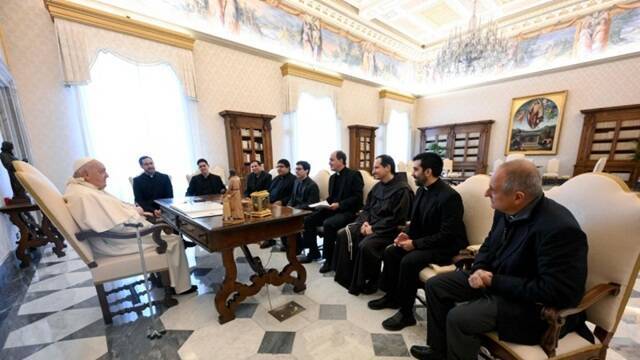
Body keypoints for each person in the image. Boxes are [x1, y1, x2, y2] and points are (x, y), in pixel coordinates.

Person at [409, 159, 589, 360]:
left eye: (493, 190)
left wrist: (493, 281)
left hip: (529, 306)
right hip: (497, 280)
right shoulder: (505, 209)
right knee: (436, 285)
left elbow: (559, 293)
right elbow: (489, 245)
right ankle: (439, 350)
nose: (486, 194)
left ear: (518, 197)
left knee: (459, 318)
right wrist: (479, 268)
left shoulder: (559, 229)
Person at [64, 158, 196, 295]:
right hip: (118, 242)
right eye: (102, 171)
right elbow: (116, 226)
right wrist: (137, 213)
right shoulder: (85, 195)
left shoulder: (84, 190)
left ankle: (165, 279)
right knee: (174, 240)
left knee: (164, 232)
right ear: (86, 174)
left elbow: (114, 212)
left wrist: (135, 212)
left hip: (116, 236)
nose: (107, 175)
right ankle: (181, 287)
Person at [368, 152, 467, 331]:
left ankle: (406, 314)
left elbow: (447, 235)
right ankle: (392, 297)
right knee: (391, 251)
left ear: (428, 171)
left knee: (408, 261)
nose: (412, 174)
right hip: (425, 240)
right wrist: (406, 235)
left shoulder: (450, 197)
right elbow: (415, 222)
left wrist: (415, 244)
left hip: (446, 246)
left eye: (415, 169)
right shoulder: (422, 190)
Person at [333, 155, 413, 295]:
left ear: (388, 168)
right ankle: (348, 277)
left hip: (389, 230)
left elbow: (397, 218)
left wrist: (373, 228)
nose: (373, 171)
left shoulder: (402, 190)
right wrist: (364, 222)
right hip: (369, 224)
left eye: (376, 167)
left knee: (366, 246)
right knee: (343, 234)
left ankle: (371, 281)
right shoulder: (377, 187)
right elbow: (367, 208)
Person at [298, 150, 364, 273]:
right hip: (333, 209)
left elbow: (357, 198)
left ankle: (329, 260)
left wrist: (340, 204)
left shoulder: (354, 175)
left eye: (332, 160)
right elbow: (331, 198)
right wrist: (321, 204)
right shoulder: (333, 178)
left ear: (341, 160)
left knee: (328, 224)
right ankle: (313, 252)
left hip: (349, 212)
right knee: (308, 220)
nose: (329, 163)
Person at [283, 160, 320, 254]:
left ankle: (301, 247)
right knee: (282, 218)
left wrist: (295, 208)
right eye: (296, 169)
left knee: (302, 221)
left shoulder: (312, 185)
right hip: (296, 209)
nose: (296, 171)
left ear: (306, 170)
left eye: (299, 169)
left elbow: (311, 204)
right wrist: (288, 206)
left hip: (308, 211)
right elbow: (292, 197)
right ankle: (291, 246)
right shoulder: (296, 181)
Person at [260, 159, 296, 248]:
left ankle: (286, 243)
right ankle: (269, 239)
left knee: (280, 217)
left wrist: (282, 201)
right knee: (262, 215)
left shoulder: (293, 179)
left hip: (284, 205)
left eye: (282, 167)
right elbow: (269, 191)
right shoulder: (276, 178)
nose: (279, 169)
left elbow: (293, 195)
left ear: (288, 168)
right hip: (272, 203)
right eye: (278, 167)